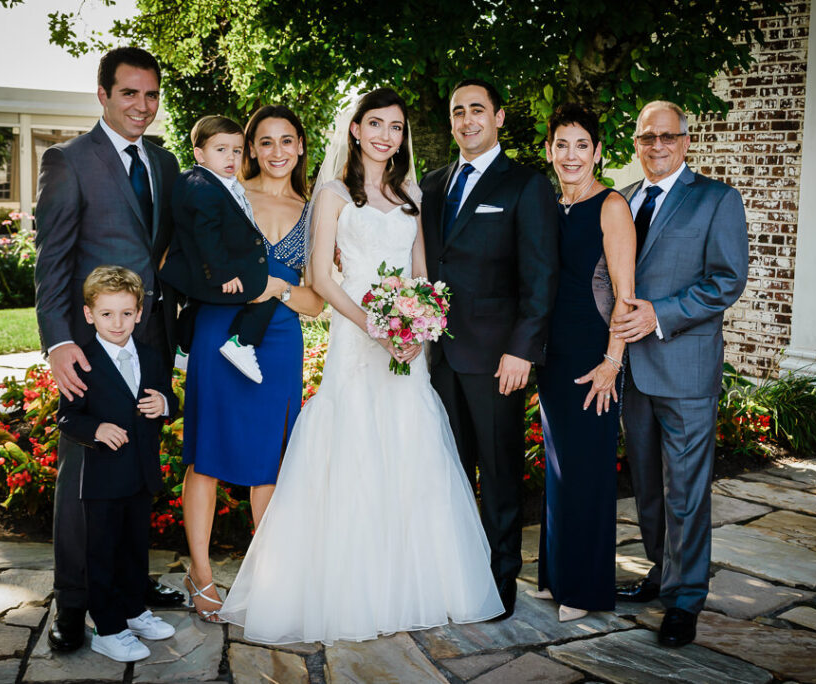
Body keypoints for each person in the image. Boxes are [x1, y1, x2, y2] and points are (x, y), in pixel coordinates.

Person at [218, 88, 504, 644]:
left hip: (406, 347)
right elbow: (322, 279)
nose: (386, 136)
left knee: (410, 443)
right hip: (356, 338)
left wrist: (419, 324)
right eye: (375, 124)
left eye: (396, 127)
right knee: (353, 446)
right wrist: (375, 325)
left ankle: (417, 585)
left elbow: (422, 271)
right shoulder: (329, 195)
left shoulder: (410, 192)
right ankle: (353, 590)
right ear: (355, 129)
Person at [34, 46, 184, 653]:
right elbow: (53, 261)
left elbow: (165, 254)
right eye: (129, 94)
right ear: (103, 95)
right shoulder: (68, 161)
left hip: (147, 339)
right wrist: (60, 341)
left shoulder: (166, 163)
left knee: (135, 477)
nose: (142, 107)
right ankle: (75, 605)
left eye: (151, 96)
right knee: (86, 481)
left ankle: (127, 592)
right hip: (91, 345)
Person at [166, 105, 323, 623]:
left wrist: (277, 289)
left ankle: (268, 578)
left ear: (300, 146)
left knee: (269, 461)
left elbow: (315, 300)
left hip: (279, 340)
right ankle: (202, 575)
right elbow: (182, 261)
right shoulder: (223, 191)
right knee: (205, 455)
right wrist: (260, 284)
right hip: (218, 329)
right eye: (264, 142)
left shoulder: (313, 209)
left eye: (286, 141)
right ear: (251, 148)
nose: (276, 152)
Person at [611, 101, 748, 647]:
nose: (658, 146)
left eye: (668, 136)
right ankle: (659, 571)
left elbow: (726, 280)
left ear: (686, 141)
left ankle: (685, 600)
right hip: (632, 373)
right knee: (646, 486)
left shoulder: (717, 200)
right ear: (637, 142)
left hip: (685, 369)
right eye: (648, 137)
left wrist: (659, 314)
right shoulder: (622, 199)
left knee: (685, 491)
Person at [420, 79, 559, 619]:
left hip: (499, 358)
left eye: (477, 110)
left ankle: (500, 583)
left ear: (499, 117)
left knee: (500, 477)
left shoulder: (525, 185)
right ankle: (456, 575)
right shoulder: (431, 185)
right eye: (458, 112)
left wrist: (523, 349)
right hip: (436, 357)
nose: (467, 120)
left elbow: (541, 275)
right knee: (448, 473)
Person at [528, 104, 636, 621]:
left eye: (581, 145)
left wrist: (612, 361)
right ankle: (555, 577)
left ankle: (586, 590)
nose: (571, 156)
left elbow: (625, 294)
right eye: (561, 145)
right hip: (552, 355)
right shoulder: (551, 204)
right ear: (549, 150)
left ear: (596, 152)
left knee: (589, 472)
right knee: (559, 465)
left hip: (594, 355)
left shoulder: (610, 205)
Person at [56, 266, 178, 662]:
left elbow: (169, 402)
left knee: (134, 549)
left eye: (126, 313)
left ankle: (133, 610)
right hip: (103, 479)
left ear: (140, 313)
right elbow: (67, 417)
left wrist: (165, 405)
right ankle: (108, 628)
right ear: (89, 314)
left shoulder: (150, 354)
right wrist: (96, 429)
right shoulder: (83, 362)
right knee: (103, 554)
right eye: (107, 314)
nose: (117, 322)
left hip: (140, 473)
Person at [161, 115, 279, 384]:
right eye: (221, 149)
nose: (231, 158)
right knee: (269, 288)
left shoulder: (195, 180)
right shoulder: (206, 189)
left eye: (237, 151)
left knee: (194, 305)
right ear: (199, 154)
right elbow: (207, 234)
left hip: (194, 271)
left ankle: (184, 346)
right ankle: (243, 341)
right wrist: (223, 272)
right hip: (212, 270)